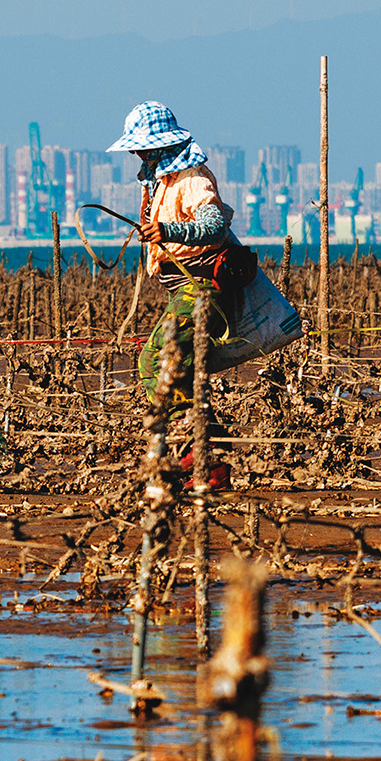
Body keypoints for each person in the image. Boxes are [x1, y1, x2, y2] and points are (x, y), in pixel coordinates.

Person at [107, 101, 254, 483]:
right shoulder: (161, 181)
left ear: (162, 145)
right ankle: (208, 454)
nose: (137, 155)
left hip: (201, 286)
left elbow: (214, 225)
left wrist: (169, 231)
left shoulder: (192, 178)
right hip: (185, 287)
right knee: (170, 363)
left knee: (157, 359)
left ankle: (199, 446)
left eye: (142, 147)